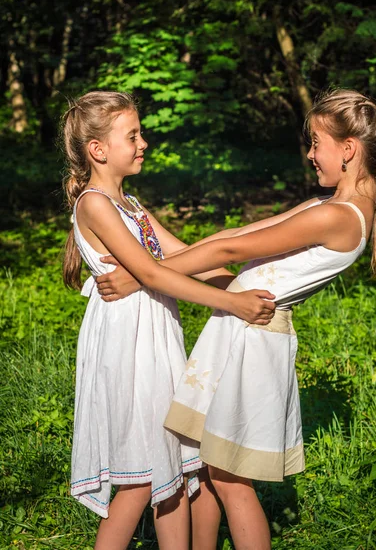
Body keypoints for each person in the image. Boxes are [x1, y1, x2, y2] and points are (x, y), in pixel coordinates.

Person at [96, 89, 376, 550]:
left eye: (316, 143)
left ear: (349, 149)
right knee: (210, 466)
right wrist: (159, 270)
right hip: (234, 332)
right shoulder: (328, 206)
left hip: (252, 341)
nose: (311, 154)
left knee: (232, 479)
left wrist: (142, 277)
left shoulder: (341, 215)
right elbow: (234, 234)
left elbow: (231, 251)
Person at [62, 90, 276, 550]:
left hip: (155, 340)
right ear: (98, 149)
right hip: (127, 347)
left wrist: (236, 285)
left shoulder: (132, 205)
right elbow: (153, 273)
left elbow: (182, 254)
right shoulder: (93, 204)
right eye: (133, 135)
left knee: (173, 468)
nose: (144, 143)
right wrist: (235, 305)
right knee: (140, 478)